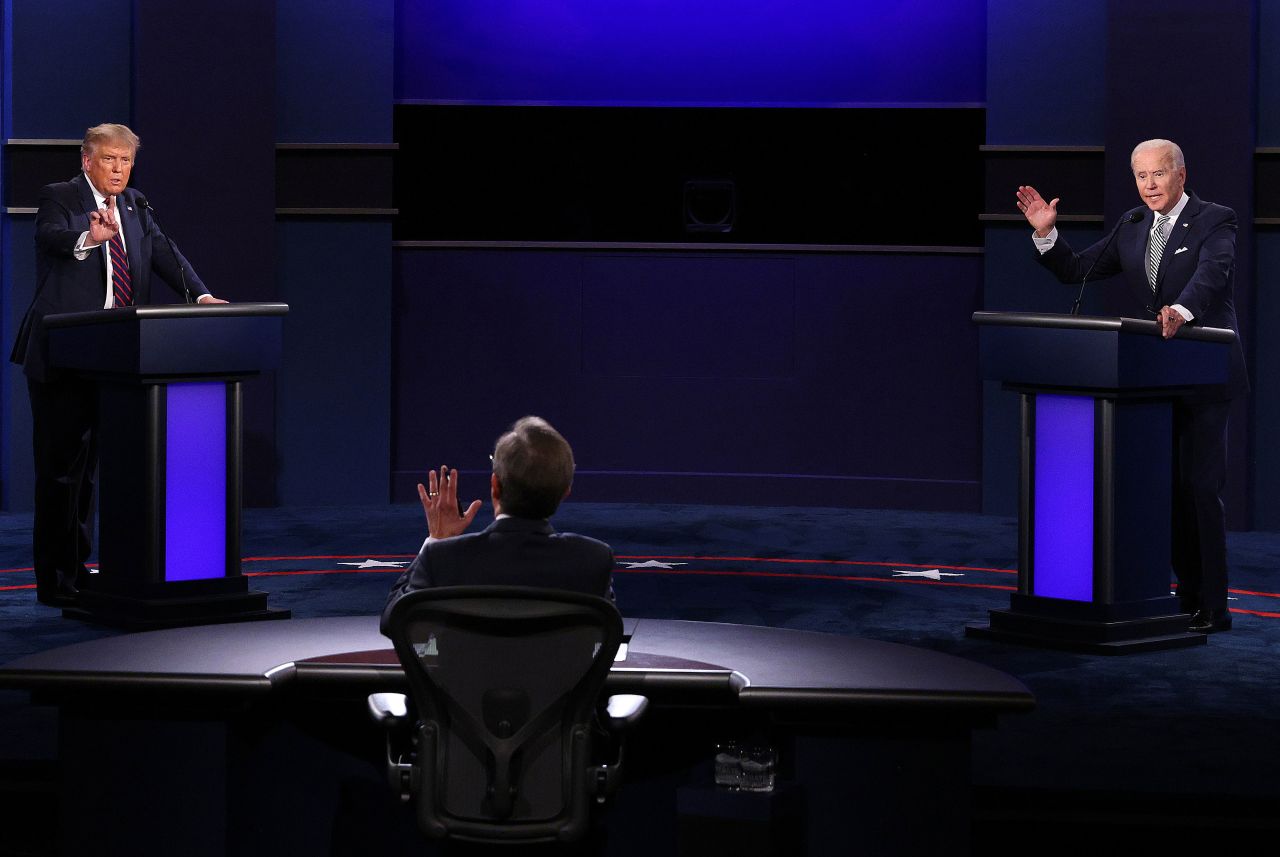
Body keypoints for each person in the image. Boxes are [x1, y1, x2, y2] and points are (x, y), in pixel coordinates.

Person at [1016, 138, 1248, 633]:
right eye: (1141, 176)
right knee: (1169, 492)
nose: (1149, 186)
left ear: (1181, 175)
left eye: (1158, 174)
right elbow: (1077, 270)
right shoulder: (1133, 225)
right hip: (1153, 377)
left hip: (1205, 372)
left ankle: (1213, 606)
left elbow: (1213, 274)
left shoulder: (1216, 218)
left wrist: (1182, 311)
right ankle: (1184, 594)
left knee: (1199, 489)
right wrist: (1047, 236)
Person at [9, 123, 226, 607]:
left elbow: (168, 256)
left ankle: (82, 568)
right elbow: (51, 238)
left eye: (126, 162)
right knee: (61, 471)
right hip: (63, 353)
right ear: (87, 160)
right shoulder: (60, 196)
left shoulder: (136, 205)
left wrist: (201, 293)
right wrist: (89, 235)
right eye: (109, 160)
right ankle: (55, 579)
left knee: (92, 473)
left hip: (117, 355)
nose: (118, 170)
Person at [380, 416, 615, 634]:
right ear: (565, 493)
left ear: (495, 486)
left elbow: (394, 622)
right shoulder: (593, 560)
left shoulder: (443, 558)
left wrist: (438, 539)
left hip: (466, 680)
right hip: (561, 680)